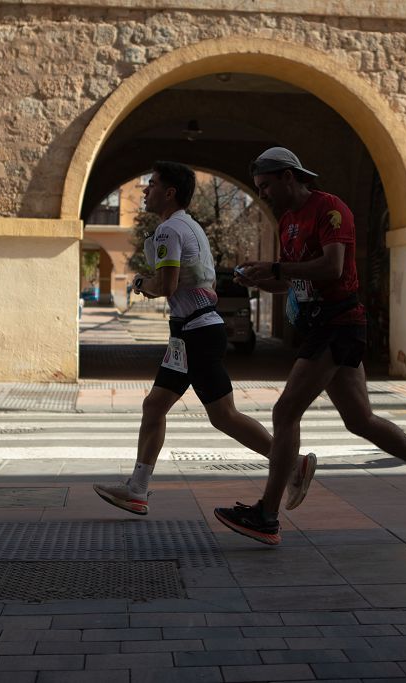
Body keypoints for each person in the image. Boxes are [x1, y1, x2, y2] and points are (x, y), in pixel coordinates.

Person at [214, 147, 406, 545]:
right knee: (360, 420)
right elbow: (297, 278)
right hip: (323, 325)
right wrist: (265, 280)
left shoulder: (330, 210)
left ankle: (266, 515)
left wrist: (279, 269)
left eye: (265, 186)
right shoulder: (287, 222)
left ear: (288, 176)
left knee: (285, 412)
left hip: (338, 323)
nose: (261, 194)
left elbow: (332, 267)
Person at [93, 161, 317, 516]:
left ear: (169, 193)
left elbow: (166, 286)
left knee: (223, 416)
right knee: (155, 406)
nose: (145, 191)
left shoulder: (168, 231)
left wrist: (139, 284)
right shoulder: (191, 227)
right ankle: (137, 488)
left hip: (195, 334)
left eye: (151, 185)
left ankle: (292, 464)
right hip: (191, 333)